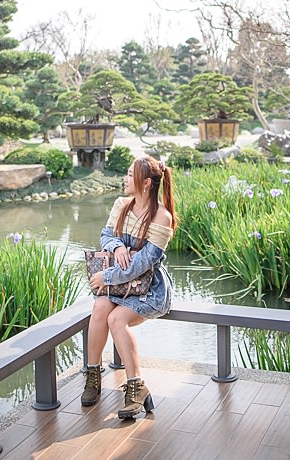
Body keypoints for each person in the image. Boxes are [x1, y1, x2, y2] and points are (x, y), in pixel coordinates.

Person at [84, 156, 176, 418]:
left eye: (129, 174)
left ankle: (136, 386)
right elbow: (105, 235)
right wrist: (118, 246)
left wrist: (107, 277)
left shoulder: (162, 216)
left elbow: (145, 263)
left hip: (147, 287)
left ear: (146, 182)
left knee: (117, 320)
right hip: (121, 284)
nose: (125, 178)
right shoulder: (122, 205)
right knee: (100, 307)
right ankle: (93, 375)